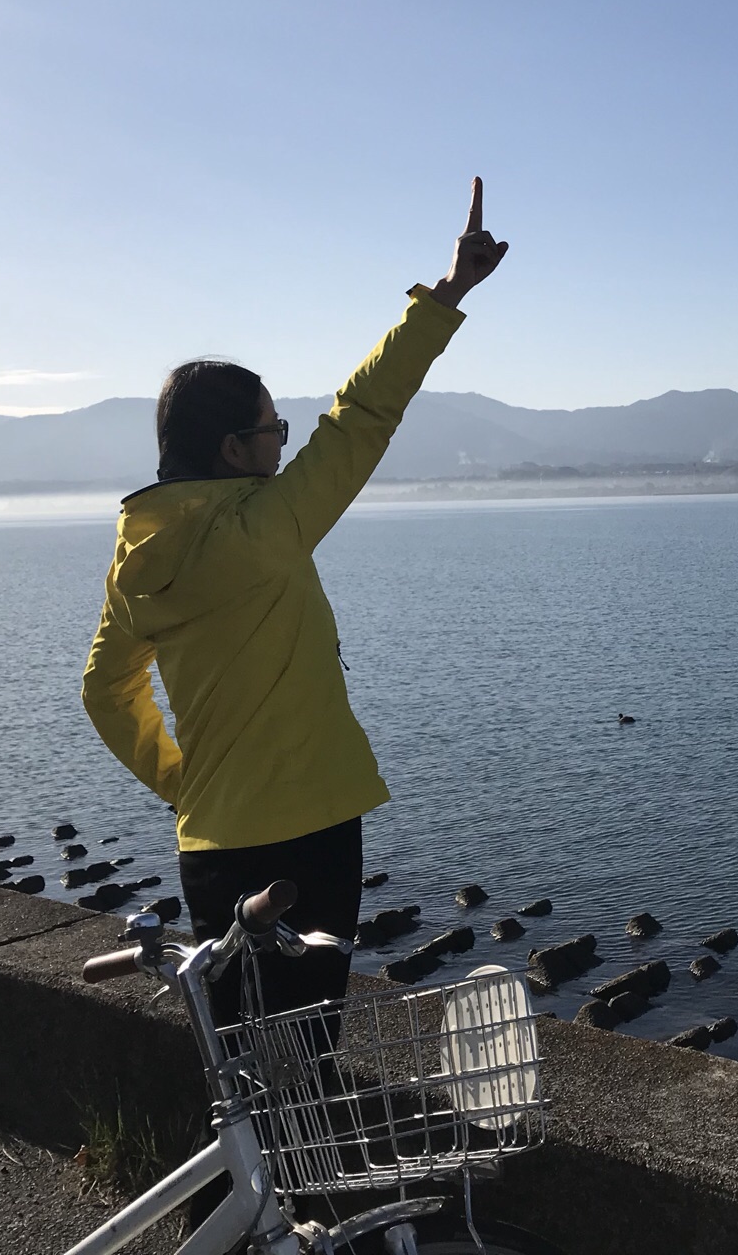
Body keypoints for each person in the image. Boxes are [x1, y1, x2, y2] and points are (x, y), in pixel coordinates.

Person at [81, 178, 508, 1022]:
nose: (284, 441)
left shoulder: (139, 550)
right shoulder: (266, 527)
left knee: (241, 1055)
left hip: (210, 840)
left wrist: (184, 780)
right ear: (233, 448)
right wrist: (448, 294)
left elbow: (105, 690)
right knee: (306, 1058)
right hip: (310, 833)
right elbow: (362, 417)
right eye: (273, 429)